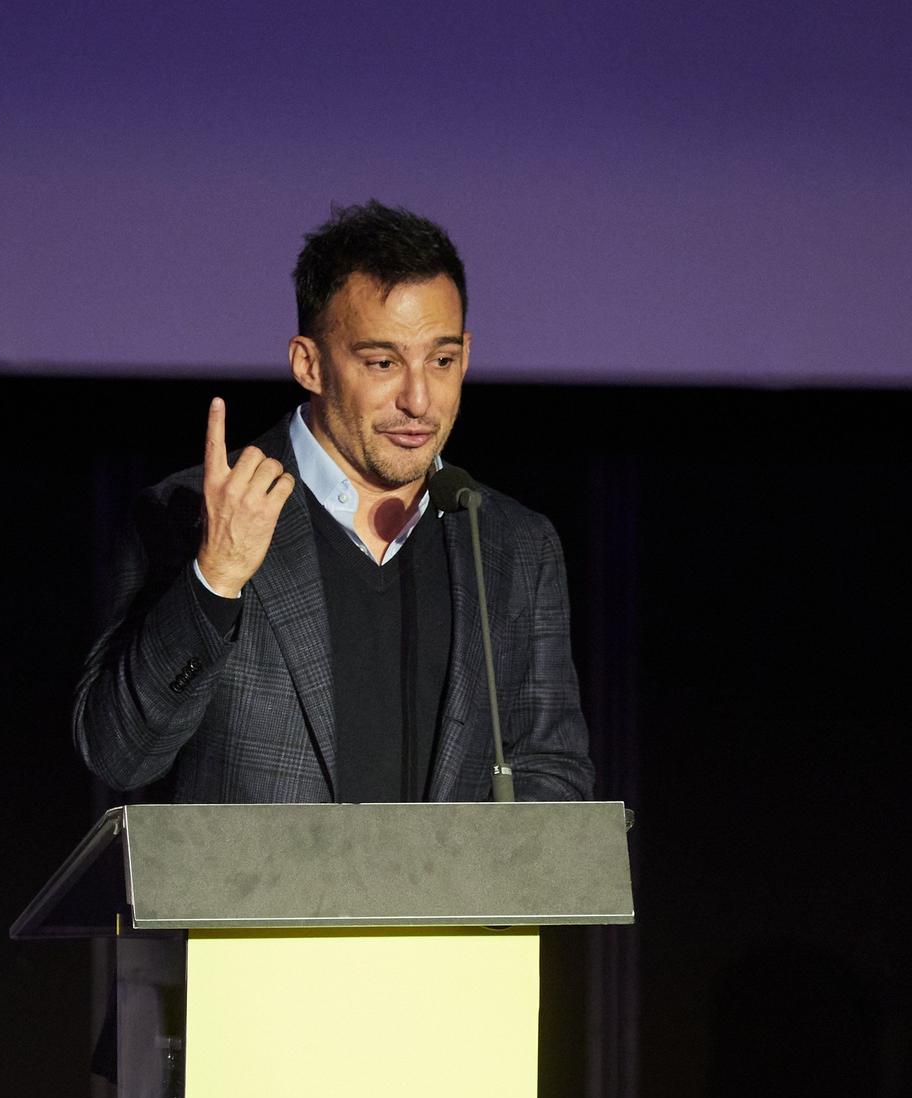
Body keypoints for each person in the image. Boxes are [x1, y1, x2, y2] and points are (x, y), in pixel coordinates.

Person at [73, 201, 593, 804]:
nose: (419, 400)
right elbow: (120, 755)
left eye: (442, 361)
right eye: (382, 363)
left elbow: (553, 776)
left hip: (450, 902)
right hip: (257, 900)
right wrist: (213, 580)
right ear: (309, 364)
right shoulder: (194, 512)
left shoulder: (511, 544)